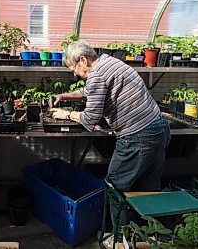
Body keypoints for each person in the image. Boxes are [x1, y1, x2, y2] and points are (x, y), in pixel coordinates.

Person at [51, 40, 170, 248]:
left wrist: (67, 114)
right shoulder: (109, 62)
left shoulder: (97, 74)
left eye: (74, 69)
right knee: (148, 188)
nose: (76, 74)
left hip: (137, 137)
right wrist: (64, 95)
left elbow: (90, 118)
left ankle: (120, 239)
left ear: (83, 60)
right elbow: (89, 91)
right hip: (158, 129)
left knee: (114, 187)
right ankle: (150, 237)